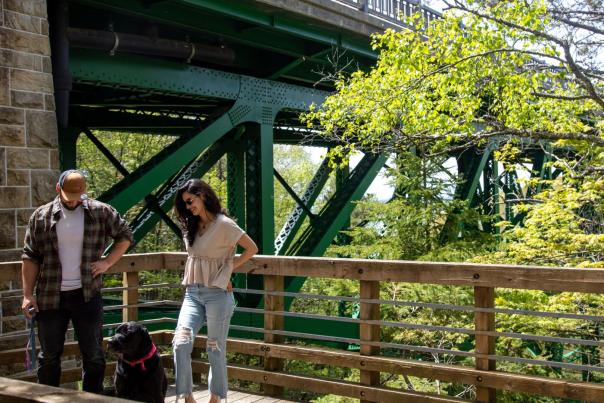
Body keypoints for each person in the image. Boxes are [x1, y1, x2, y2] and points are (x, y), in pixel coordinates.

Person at [21, 169, 133, 393]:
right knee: (49, 356)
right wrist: (27, 294)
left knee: (93, 354)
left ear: (84, 192)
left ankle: (91, 399)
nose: (73, 203)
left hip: (87, 294)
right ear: (58, 189)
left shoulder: (100, 212)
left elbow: (125, 236)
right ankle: (48, 399)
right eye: (68, 198)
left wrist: (107, 263)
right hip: (50, 296)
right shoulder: (41, 216)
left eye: (78, 197)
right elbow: (30, 256)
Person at [173, 179, 258, 403]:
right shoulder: (191, 224)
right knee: (181, 342)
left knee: (215, 348)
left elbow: (252, 249)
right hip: (192, 293)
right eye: (185, 205)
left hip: (217, 295)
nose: (188, 207)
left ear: (202, 195)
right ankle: (187, 397)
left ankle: (215, 398)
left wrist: (228, 270)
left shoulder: (224, 224)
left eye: (190, 201)